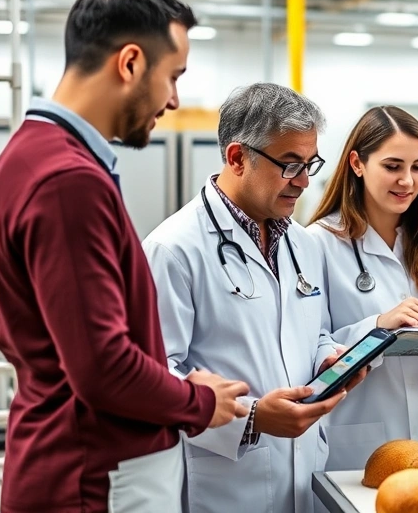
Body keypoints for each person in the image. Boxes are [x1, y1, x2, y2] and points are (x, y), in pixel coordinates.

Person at [0, 0, 249, 513]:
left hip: (76, 460)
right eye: (173, 76)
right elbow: (102, 368)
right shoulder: (66, 181)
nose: (174, 99)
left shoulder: (32, 155)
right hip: (96, 477)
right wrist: (198, 400)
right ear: (129, 64)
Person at [143, 83, 363, 513]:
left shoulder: (303, 243)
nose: (303, 181)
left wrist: (327, 359)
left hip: (305, 475)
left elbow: (311, 331)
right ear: (238, 157)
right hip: (225, 483)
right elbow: (155, 379)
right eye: (290, 165)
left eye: (310, 163)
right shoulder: (174, 249)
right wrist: (253, 418)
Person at [306, 106, 418, 470]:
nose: (407, 180)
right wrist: (379, 327)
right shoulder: (318, 243)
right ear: (357, 164)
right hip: (362, 438)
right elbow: (310, 347)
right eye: (393, 167)